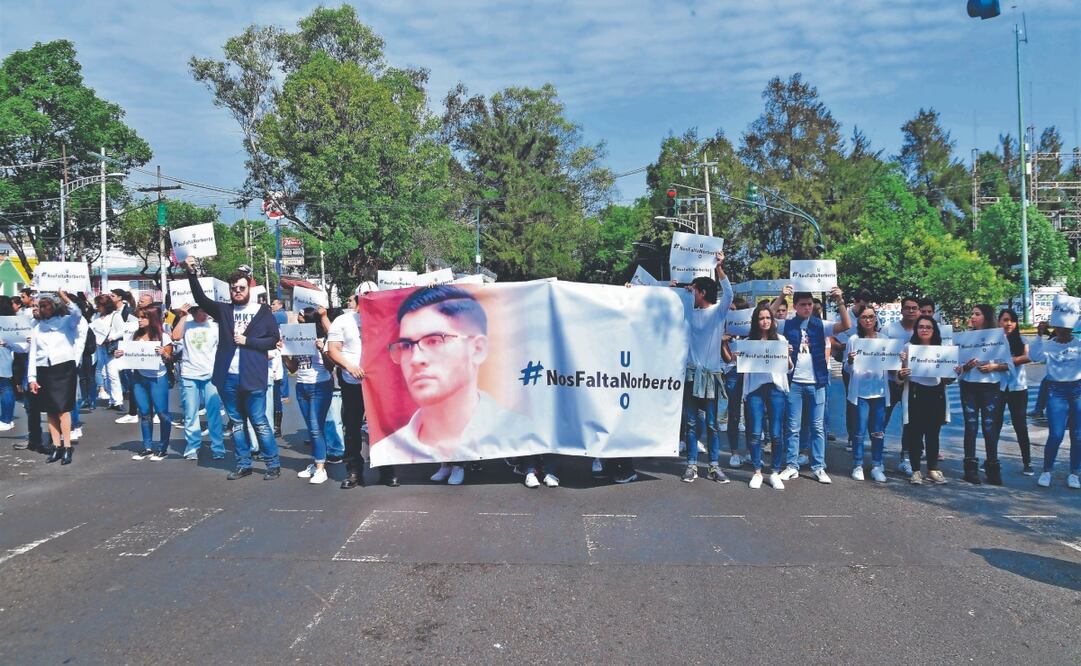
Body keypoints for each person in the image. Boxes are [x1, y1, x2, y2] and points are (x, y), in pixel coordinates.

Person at [378, 285, 542, 483]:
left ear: (478, 348)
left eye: (434, 341)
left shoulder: (517, 428)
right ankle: (446, 464)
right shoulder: (388, 448)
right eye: (406, 345)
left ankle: (458, 464)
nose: (415, 358)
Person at [184, 256, 282, 480]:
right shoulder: (224, 310)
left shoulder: (263, 311)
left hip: (254, 376)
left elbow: (272, 340)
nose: (237, 291)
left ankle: (272, 464)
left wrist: (248, 342)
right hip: (228, 377)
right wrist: (191, 273)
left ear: (249, 288)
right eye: (233, 288)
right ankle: (243, 464)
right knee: (237, 423)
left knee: (259, 422)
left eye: (241, 287)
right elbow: (201, 298)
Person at [327, 282, 398, 489]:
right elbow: (333, 350)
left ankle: (387, 469)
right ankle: (354, 470)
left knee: (383, 426)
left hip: (379, 384)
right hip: (352, 383)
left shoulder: (386, 321)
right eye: (365, 298)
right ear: (358, 299)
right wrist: (349, 366)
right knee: (352, 427)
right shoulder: (343, 320)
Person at [778, 285, 851, 484]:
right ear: (795, 306)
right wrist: (782, 295)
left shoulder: (820, 325)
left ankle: (818, 466)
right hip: (794, 382)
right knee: (793, 427)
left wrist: (840, 300)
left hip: (817, 382)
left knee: (818, 427)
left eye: (810, 304)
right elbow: (772, 316)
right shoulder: (788, 325)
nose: (807, 308)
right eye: (803, 305)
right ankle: (792, 465)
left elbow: (846, 324)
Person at [677, 251, 733, 484]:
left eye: (694, 290)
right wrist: (677, 288)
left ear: (702, 292)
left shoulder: (718, 311)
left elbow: (729, 292)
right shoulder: (689, 312)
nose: (691, 293)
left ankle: (713, 466)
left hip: (710, 376)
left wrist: (720, 267)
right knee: (691, 422)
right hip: (691, 375)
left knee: (711, 423)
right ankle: (691, 465)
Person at [736, 302, 791, 489]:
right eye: (761, 318)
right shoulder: (748, 343)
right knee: (754, 433)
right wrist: (739, 357)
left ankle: (774, 471)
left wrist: (788, 356)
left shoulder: (781, 340)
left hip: (776, 389)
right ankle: (757, 471)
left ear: (773, 320)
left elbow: (789, 368)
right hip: (755, 391)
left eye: (768, 317)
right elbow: (741, 368)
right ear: (756, 321)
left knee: (776, 433)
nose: (765, 321)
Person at [27, 291, 83, 465]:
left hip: (63, 368)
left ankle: (67, 447)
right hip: (44, 369)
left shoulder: (66, 322)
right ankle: (56, 446)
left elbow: (77, 313)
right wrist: (32, 378)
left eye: (47, 305)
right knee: (50, 409)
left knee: (62, 409)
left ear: (55, 305)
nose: (44, 309)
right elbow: (33, 354)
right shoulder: (37, 327)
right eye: (41, 306)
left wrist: (63, 296)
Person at [283, 306, 336, 485]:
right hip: (302, 387)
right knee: (312, 428)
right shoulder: (298, 338)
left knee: (314, 428)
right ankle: (316, 462)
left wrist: (322, 350)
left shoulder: (323, 338)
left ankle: (321, 468)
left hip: (320, 386)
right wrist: (284, 353)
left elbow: (331, 367)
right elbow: (293, 368)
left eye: (300, 317)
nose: (297, 319)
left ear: (309, 319)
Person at [896, 315, 951, 485]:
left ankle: (933, 469)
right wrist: (901, 373)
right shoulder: (908, 348)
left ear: (934, 330)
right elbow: (898, 375)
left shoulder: (941, 349)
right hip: (915, 393)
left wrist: (955, 371)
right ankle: (915, 470)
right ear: (916, 329)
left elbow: (949, 377)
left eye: (928, 327)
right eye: (921, 327)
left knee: (933, 434)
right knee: (915, 434)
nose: (924, 330)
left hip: (936, 393)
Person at [958, 304, 1009, 485]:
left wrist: (994, 367)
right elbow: (957, 367)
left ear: (986, 317)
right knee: (971, 427)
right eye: (972, 313)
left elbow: (1008, 364)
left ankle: (992, 467)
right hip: (969, 387)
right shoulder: (965, 338)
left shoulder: (998, 336)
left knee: (989, 428)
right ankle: (970, 468)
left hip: (991, 387)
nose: (972, 317)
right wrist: (967, 366)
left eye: (977, 314)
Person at [843, 304, 893, 483]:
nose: (868, 320)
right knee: (859, 430)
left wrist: (899, 359)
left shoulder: (885, 339)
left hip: (879, 391)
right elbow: (847, 369)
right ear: (859, 320)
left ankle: (877, 465)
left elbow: (891, 364)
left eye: (871, 317)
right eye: (864, 317)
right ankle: (857, 464)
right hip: (860, 392)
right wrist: (849, 360)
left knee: (878, 431)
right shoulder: (854, 340)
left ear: (876, 318)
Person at [1029, 320, 1081, 489]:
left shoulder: (1078, 345)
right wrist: (1039, 335)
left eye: (1065, 328)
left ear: (1071, 328)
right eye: (1059, 327)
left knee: (1078, 435)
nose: (1062, 331)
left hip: (1077, 390)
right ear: (1055, 328)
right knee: (1056, 434)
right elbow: (1034, 356)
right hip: (1056, 391)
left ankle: (1074, 473)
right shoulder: (1049, 345)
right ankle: (1046, 471)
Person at [117, 305, 173, 460]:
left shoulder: (163, 336)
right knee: (144, 413)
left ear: (151, 318)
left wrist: (164, 353)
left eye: (143, 317)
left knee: (162, 413)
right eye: (139, 317)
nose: (139, 320)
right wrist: (121, 353)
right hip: (139, 377)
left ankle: (162, 447)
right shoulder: (135, 335)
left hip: (157, 378)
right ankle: (147, 446)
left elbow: (170, 358)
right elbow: (130, 352)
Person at [170, 303, 225, 461]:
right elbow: (175, 336)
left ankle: (218, 447)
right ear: (194, 311)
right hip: (189, 374)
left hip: (210, 374)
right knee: (190, 413)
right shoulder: (186, 323)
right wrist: (183, 315)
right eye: (202, 310)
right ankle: (192, 446)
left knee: (214, 413)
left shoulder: (214, 326)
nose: (206, 313)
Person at [881, 295, 920, 476]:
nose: (911, 311)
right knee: (882, 420)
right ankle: (877, 457)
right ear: (902, 310)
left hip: (913, 385)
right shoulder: (889, 329)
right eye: (908, 308)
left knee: (910, 423)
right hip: (890, 383)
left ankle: (905, 459)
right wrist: (894, 373)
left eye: (914, 308)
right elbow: (881, 354)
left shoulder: (922, 329)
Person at [998, 309, 1034, 476]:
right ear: (999, 322)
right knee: (993, 426)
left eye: (1012, 320)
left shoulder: (1022, 339)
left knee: (1020, 425)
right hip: (998, 388)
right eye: (1005, 320)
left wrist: (1005, 362)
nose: (1009, 323)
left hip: (1018, 388)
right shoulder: (995, 341)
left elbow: (1027, 357)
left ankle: (1027, 462)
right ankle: (991, 459)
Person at [722, 296, 749, 468]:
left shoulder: (751, 330)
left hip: (750, 374)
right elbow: (727, 359)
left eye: (733, 310)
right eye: (729, 310)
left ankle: (752, 453)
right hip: (732, 373)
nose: (730, 312)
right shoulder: (724, 330)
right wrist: (723, 343)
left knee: (753, 414)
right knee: (733, 414)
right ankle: (734, 453)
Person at [0, 297, 17, 432]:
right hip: (7, 354)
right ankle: (8, 418)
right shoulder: (12, 321)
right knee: (6, 386)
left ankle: (5, 419)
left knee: (4, 388)